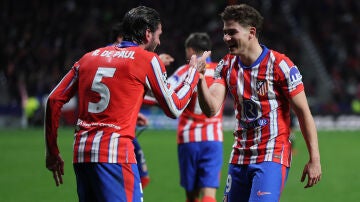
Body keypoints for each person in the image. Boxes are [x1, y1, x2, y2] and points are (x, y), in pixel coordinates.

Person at [44, 5, 209, 202]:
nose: (159, 40)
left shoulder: (89, 57)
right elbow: (174, 107)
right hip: (114, 154)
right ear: (148, 33)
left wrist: (53, 152)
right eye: (158, 34)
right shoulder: (148, 59)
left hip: (82, 154)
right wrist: (193, 73)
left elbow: (54, 99)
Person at [196, 4, 322, 202]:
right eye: (224, 33)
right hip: (239, 156)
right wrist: (201, 79)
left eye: (232, 32)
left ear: (251, 32)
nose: (226, 38)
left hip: (271, 155)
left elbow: (304, 113)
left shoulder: (280, 66)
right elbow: (211, 108)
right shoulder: (226, 65)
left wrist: (314, 158)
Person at [167, 32, 224, 202]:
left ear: (190, 50)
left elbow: (166, 91)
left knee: (191, 196)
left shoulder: (184, 71)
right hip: (213, 139)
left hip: (188, 138)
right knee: (209, 193)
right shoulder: (219, 71)